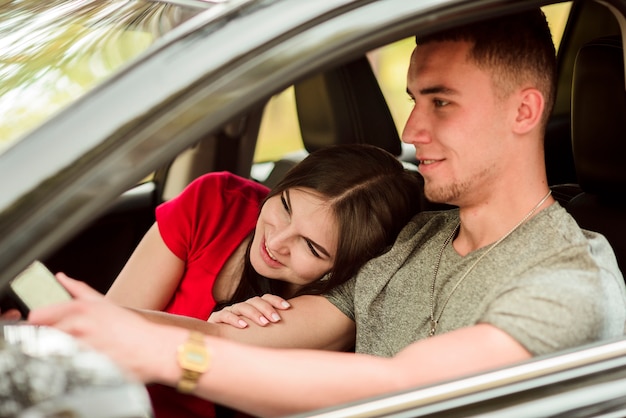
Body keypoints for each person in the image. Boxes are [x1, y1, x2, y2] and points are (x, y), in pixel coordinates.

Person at [28, 9, 626, 418]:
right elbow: (242, 342)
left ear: (524, 111)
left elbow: (403, 388)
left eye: (442, 102)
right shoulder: (416, 237)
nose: (413, 131)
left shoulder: (567, 280)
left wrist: (165, 355)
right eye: (414, 100)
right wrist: (75, 330)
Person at [102, 143, 424, 418]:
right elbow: (107, 336)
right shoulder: (215, 203)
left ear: (341, 269)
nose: (277, 240)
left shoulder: (335, 311)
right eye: (285, 207)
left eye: (311, 247)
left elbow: (116, 328)